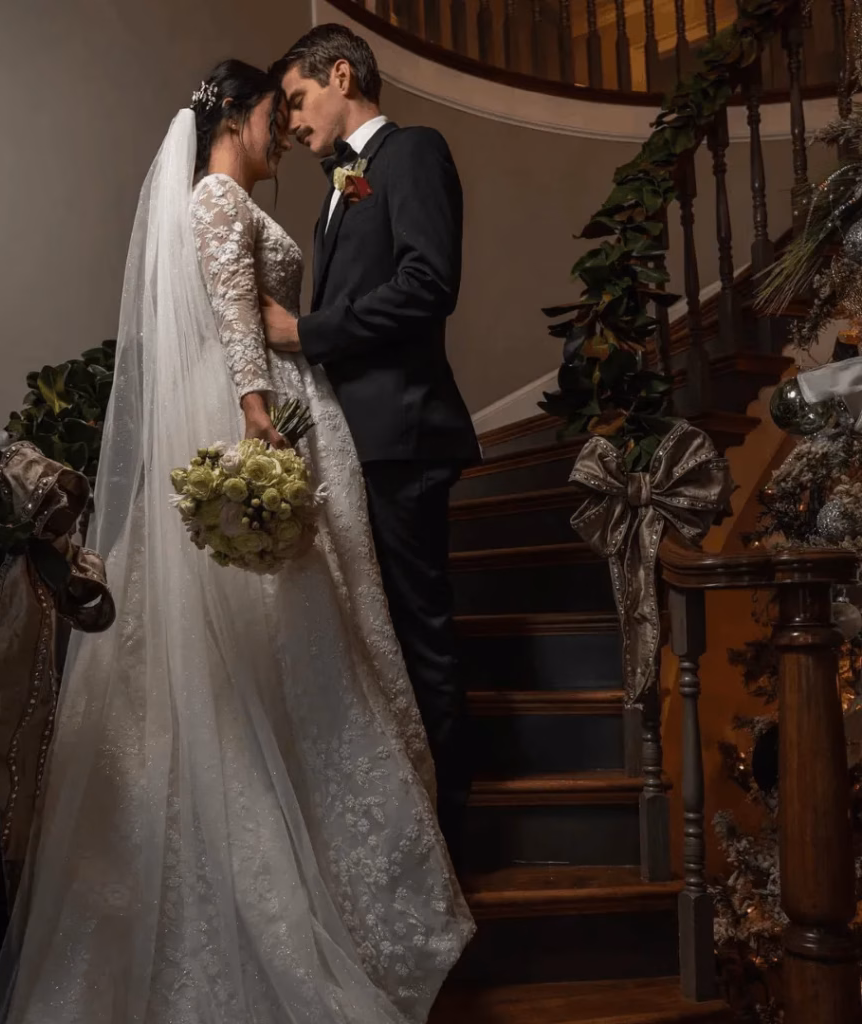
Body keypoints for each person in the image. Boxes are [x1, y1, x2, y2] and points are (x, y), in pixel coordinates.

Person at [0, 59, 473, 1024]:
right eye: (274, 110)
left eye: (297, 105)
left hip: (315, 410)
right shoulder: (214, 195)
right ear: (237, 115)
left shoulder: (365, 169)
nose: (285, 127)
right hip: (269, 413)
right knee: (286, 650)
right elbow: (238, 318)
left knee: (333, 645)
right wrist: (255, 408)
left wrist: (286, 368)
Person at [261, 25, 481, 866]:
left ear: (341, 74)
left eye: (298, 99)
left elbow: (430, 284)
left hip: (404, 435)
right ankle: (412, 829)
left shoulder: (414, 151)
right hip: (360, 440)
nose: (290, 121)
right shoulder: (342, 181)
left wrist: (307, 331)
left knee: (421, 634)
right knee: (380, 636)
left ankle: (451, 844)